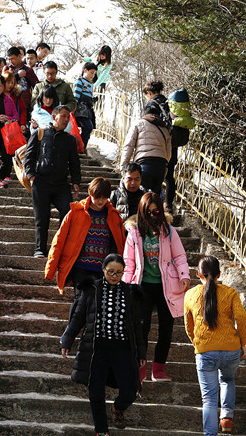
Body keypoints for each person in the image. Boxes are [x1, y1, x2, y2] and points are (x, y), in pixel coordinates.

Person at [61, 254, 146, 436]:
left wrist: (141, 352)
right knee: (95, 390)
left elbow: (136, 326)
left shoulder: (130, 292)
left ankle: (117, 407)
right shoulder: (92, 289)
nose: (114, 276)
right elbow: (78, 317)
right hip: (96, 348)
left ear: (124, 273)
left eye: (118, 273)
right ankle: (102, 431)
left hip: (123, 348)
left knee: (130, 390)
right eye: (110, 272)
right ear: (103, 270)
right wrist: (67, 339)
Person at [122, 192, 190, 382]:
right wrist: (128, 286)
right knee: (141, 328)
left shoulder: (168, 230)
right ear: (142, 211)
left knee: (166, 328)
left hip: (165, 285)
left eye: (156, 211)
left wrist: (184, 275)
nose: (153, 215)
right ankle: (140, 368)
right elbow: (129, 262)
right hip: (142, 285)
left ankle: (158, 369)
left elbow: (180, 256)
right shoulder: (134, 232)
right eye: (148, 212)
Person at [184, 255, 246, 436]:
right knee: (227, 380)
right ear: (219, 274)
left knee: (209, 400)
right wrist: (243, 342)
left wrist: (198, 343)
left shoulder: (190, 294)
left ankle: (210, 434)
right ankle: (227, 417)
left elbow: (189, 326)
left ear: (198, 274)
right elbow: (241, 317)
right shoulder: (230, 293)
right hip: (231, 349)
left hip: (205, 351)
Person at [45, 177, 126, 303]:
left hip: (104, 269)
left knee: (98, 303)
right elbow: (59, 240)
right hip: (81, 266)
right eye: (97, 196)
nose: (100, 201)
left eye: (104, 197)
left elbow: (121, 244)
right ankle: (73, 324)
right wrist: (51, 268)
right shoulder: (76, 213)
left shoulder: (114, 216)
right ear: (90, 193)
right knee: (80, 300)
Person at [24, 105, 81, 257]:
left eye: (68, 117)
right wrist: (32, 176)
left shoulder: (69, 140)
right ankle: (40, 249)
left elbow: (74, 162)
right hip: (41, 182)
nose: (66, 120)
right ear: (54, 116)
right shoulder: (40, 133)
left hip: (61, 184)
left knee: (67, 211)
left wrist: (76, 182)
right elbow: (28, 157)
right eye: (63, 116)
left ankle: (61, 247)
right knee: (42, 216)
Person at [119, 98, 171, 195]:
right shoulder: (164, 129)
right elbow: (168, 152)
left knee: (142, 196)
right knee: (154, 198)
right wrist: (164, 164)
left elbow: (129, 146)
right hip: (161, 166)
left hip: (144, 164)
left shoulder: (139, 124)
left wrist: (123, 167)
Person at [166, 88, 196, 213]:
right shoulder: (185, 111)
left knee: (162, 176)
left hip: (165, 148)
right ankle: (168, 204)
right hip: (174, 149)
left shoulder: (173, 106)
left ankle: (158, 203)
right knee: (169, 177)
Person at [6, 46, 39, 115]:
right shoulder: (7, 69)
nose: (11, 61)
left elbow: (37, 87)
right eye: (9, 59)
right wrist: (17, 76)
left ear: (19, 56)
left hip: (25, 105)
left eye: (13, 59)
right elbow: (3, 84)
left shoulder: (28, 70)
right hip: (9, 104)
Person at [74, 62, 97, 146]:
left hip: (88, 109)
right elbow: (76, 96)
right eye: (91, 72)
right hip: (81, 109)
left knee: (89, 128)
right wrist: (74, 107)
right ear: (85, 70)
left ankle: (82, 147)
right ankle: (79, 146)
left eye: (94, 74)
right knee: (88, 127)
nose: (92, 75)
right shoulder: (80, 81)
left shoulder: (91, 84)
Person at [2, 70, 27, 137]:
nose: (10, 85)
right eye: (8, 82)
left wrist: (22, 124)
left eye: (12, 83)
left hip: (14, 125)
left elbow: (22, 110)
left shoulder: (16, 94)